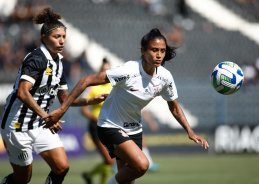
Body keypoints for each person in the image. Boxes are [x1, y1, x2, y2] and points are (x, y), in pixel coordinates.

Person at [43, 28, 209, 184]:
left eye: (162, 51)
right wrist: (61, 110)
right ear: (143, 51)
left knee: (128, 180)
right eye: (154, 50)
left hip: (134, 129)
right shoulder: (128, 70)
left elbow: (174, 107)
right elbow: (86, 81)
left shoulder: (165, 77)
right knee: (142, 165)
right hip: (110, 125)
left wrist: (189, 131)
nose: (159, 55)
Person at [0, 7, 107, 184]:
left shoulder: (58, 62)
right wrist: (47, 116)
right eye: (57, 37)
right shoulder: (36, 58)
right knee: (22, 179)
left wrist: (89, 100)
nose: (61, 41)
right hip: (17, 126)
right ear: (44, 37)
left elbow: (65, 99)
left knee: (62, 167)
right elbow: (22, 92)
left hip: (40, 123)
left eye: (64, 37)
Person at [81, 58, 115, 184]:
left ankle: (89, 175)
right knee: (109, 160)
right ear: (100, 71)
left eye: (108, 70)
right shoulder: (93, 87)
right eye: (104, 70)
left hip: (111, 126)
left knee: (111, 161)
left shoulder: (114, 86)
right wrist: (94, 118)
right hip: (96, 126)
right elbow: (83, 110)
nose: (106, 73)